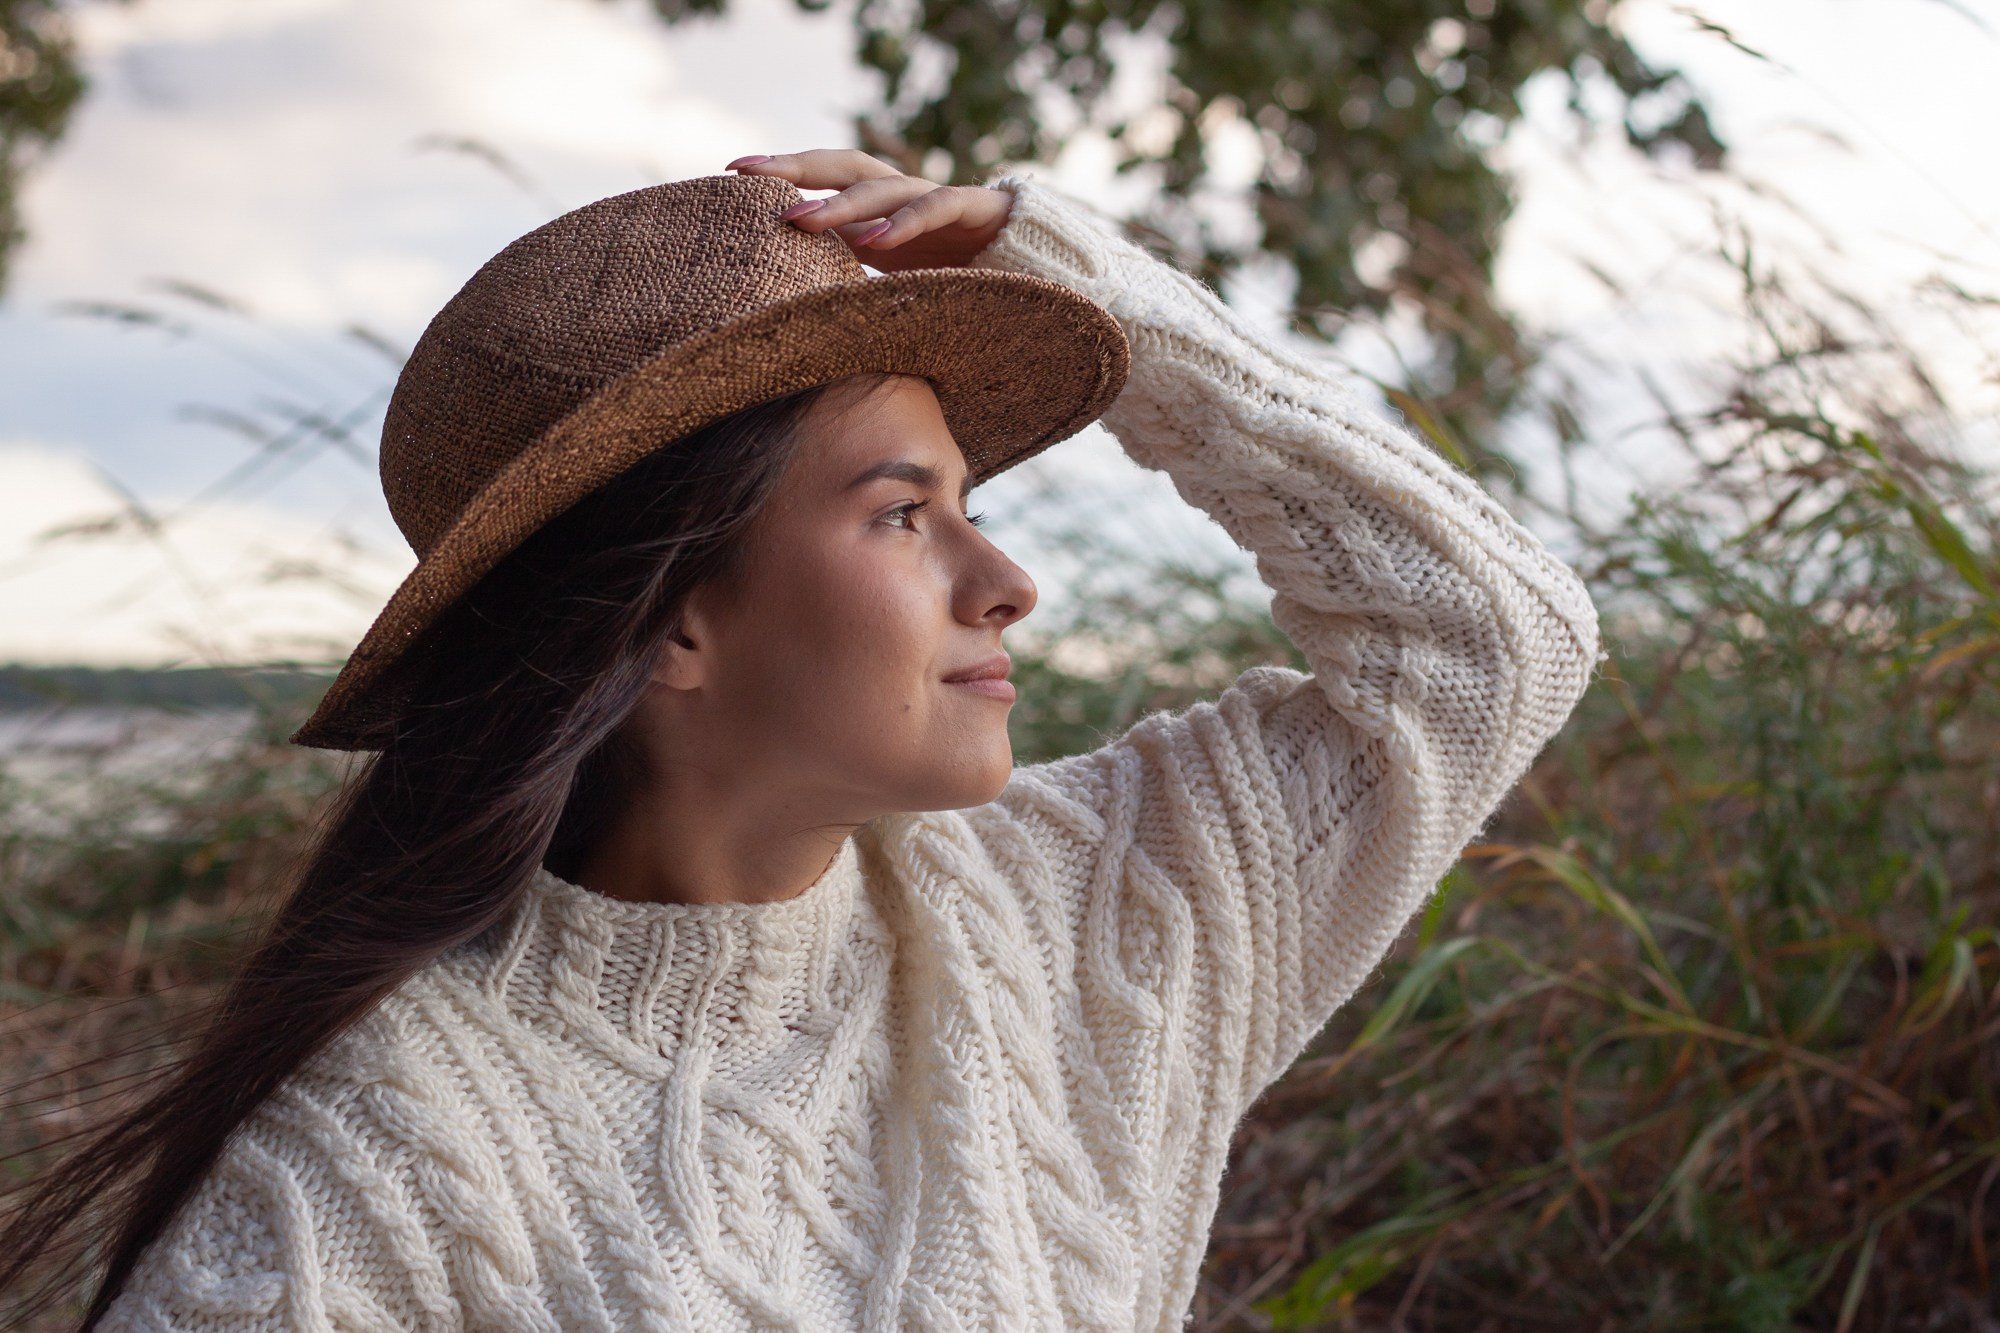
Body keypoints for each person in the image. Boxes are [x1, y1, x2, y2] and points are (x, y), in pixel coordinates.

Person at [5, 148, 1598, 1330]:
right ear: (669, 620)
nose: (1008, 582)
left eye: (972, 504)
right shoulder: (374, 1168)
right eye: (906, 514)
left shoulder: (1092, 918)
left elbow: (1492, 641)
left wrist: (1086, 282)